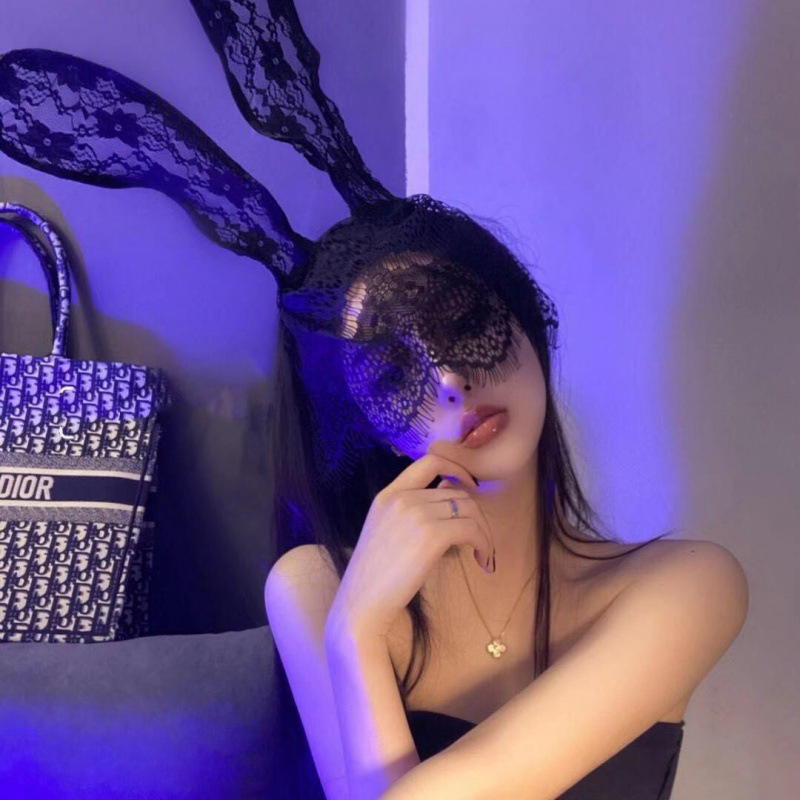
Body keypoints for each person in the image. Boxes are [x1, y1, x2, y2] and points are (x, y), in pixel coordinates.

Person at [263, 202, 750, 800]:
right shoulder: (318, 587)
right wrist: (354, 631)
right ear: (368, 425)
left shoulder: (690, 586)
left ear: (526, 322)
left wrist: (357, 635)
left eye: (464, 325)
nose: (449, 381)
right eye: (393, 374)